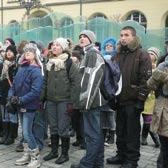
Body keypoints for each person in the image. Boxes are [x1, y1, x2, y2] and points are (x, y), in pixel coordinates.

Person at [106, 26, 152, 168]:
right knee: (120, 130)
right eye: (121, 35)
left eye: (126, 35)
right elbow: (112, 78)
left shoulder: (142, 54)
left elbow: (146, 80)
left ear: (134, 37)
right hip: (119, 100)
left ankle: (132, 160)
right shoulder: (117, 55)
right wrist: (112, 98)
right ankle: (121, 155)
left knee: (132, 132)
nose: (123, 38)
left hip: (133, 101)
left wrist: (140, 100)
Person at [71, 30, 106, 168]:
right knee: (96, 133)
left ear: (91, 40)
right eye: (80, 36)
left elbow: (91, 80)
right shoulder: (89, 53)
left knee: (92, 134)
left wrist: (85, 102)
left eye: (85, 37)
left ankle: (87, 164)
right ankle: (97, 163)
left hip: (91, 102)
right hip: (92, 101)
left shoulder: (91, 54)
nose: (82, 38)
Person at [42, 38, 80, 165]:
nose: (54, 46)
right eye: (53, 44)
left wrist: (72, 102)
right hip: (51, 100)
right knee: (53, 127)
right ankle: (54, 151)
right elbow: (45, 82)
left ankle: (65, 154)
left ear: (63, 48)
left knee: (63, 128)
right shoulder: (49, 62)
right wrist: (42, 98)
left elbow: (76, 83)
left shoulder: (69, 63)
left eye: (58, 45)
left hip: (64, 101)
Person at [11, 43, 43, 168]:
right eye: (26, 51)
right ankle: (27, 154)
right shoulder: (21, 68)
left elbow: (35, 91)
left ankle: (36, 157)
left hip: (29, 106)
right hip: (19, 104)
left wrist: (21, 100)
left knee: (27, 132)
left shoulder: (36, 70)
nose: (27, 53)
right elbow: (14, 85)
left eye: (30, 51)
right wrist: (11, 97)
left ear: (35, 54)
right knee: (23, 132)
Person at [147, 54, 168, 168]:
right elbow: (150, 85)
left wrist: (165, 77)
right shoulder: (162, 65)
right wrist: (155, 77)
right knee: (164, 147)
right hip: (162, 110)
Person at [0, 44, 18, 145]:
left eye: (11, 51)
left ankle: (11, 136)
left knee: (12, 115)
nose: (8, 53)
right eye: (7, 51)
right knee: (4, 115)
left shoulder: (16, 65)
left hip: (12, 93)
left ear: (15, 53)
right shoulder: (1, 65)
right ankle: (5, 134)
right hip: (3, 93)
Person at [141, 47, 161, 148]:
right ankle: (143, 138)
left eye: (152, 54)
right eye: (148, 53)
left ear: (156, 57)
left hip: (151, 98)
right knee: (143, 118)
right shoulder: (143, 65)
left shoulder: (158, 68)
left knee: (148, 119)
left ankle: (154, 138)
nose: (149, 55)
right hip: (142, 96)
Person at [100, 37, 118, 145]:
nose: (108, 47)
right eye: (107, 46)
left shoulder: (115, 58)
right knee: (103, 114)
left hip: (111, 91)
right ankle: (104, 134)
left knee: (111, 116)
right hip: (102, 91)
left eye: (110, 46)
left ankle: (112, 136)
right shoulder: (101, 57)